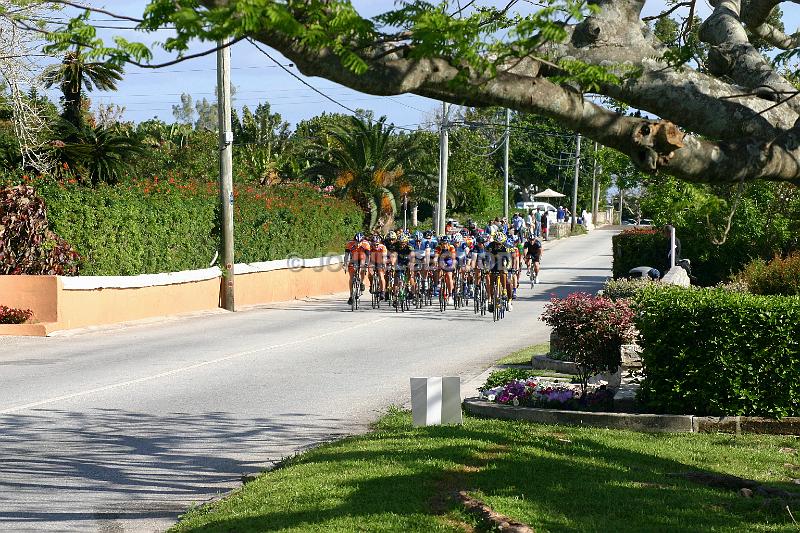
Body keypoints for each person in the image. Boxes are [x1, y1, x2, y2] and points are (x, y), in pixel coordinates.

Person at [486, 232, 513, 312]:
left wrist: (508, 268)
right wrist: (486, 268)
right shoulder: (490, 246)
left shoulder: (506, 247)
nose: (498, 245)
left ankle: (508, 298)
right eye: (496, 244)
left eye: (500, 244)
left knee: (507, 280)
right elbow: (486, 258)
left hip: (503, 261)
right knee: (491, 280)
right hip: (493, 262)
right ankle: (490, 300)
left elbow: (509, 260)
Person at [344, 232, 371, 305]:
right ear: (354, 241)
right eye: (356, 242)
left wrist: (366, 264)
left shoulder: (366, 244)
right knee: (351, 278)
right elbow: (346, 256)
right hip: (354, 259)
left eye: (360, 242)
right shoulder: (350, 244)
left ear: (362, 241)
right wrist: (345, 264)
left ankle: (362, 282)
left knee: (362, 266)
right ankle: (351, 295)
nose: (358, 244)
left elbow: (368, 256)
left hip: (362, 258)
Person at [368, 234, 388, 300]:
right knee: (370, 273)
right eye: (374, 244)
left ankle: (382, 291)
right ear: (372, 243)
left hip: (380, 261)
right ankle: (371, 285)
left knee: (381, 276)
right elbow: (367, 258)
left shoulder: (383, 247)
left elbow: (384, 257)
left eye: (377, 244)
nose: (376, 246)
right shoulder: (369, 247)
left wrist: (384, 264)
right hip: (372, 261)